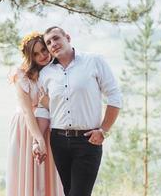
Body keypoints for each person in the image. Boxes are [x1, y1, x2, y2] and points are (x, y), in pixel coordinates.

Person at [39, 26, 122, 196]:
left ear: (67, 37)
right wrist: (37, 140)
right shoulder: (46, 73)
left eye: (56, 38)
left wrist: (103, 130)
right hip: (58, 141)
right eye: (48, 43)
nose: (53, 44)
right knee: (69, 192)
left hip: (88, 141)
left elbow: (115, 96)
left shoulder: (94, 61)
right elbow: (43, 108)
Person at [6, 32, 63, 196]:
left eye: (44, 50)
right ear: (30, 57)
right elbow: (26, 110)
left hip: (51, 126)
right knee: (29, 171)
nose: (42, 56)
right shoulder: (21, 75)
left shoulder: (58, 70)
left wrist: (48, 104)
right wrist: (38, 138)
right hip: (26, 127)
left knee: (50, 174)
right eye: (36, 54)